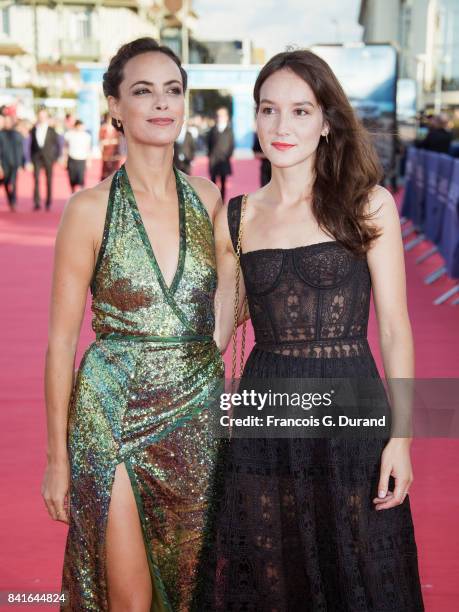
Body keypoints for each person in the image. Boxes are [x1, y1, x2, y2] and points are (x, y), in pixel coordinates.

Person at [194, 50, 425, 610]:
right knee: (270, 570)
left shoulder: (369, 205)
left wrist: (404, 437)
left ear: (326, 121)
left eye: (300, 111)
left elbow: (394, 328)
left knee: (361, 568)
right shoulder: (238, 214)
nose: (281, 126)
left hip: (351, 407)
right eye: (268, 110)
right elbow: (222, 324)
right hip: (264, 410)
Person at [40, 37, 224, 611]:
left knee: (192, 590)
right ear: (115, 106)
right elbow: (60, 342)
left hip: (197, 417)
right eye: (143, 91)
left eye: (173, 90)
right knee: (130, 597)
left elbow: (232, 305)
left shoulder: (210, 199)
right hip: (112, 414)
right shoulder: (89, 209)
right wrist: (55, 458)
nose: (161, 103)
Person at [30, 108, 59, 210]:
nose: (41, 118)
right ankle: (37, 202)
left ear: (46, 118)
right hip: (36, 158)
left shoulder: (51, 130)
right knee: (36, 180)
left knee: (49, 180)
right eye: (40, 116)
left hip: (48, 158)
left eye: (43, 116)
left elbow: (57, 144)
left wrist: (55, 157)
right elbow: (31, 145)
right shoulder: (33, 129)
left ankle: (48, 202)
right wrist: (30, 159)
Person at [207, 106, 234, 200]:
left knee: (223, 181)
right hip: (214, 160)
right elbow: (209, 144)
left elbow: (231, 145)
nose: (220, 117)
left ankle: (222, 200)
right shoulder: (212, 130)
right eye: (218, 115)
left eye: (222, 115)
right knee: (213, 182)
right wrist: (211, 156)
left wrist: (227, 156)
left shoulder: (229, 131)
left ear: (226, 117)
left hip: (224, 160)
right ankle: (213, 199)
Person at [0, 115, 24, 211]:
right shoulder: (1, 134)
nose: (7, 123)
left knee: (13, 183)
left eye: (8, 121)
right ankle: (10, 200)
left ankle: (13, 201)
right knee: (5, 183)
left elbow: (20, 150)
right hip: (4, 163)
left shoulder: (17, 134)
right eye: (5, 121)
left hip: (14, 164)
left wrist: (20, 164)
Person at [63, 120, 91, 193]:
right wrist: (65, 159)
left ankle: (81, 194)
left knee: (81, 178)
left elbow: (88, 149)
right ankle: (73, 192)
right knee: (72, 178)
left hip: (82, 159)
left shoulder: (86, 136)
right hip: (72, 158)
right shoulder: (69, 135)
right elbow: (65, 147)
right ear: (76, 126)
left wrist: (89, 161)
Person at [99, 112, 121, 180]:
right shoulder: (103, 128)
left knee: (115, 170)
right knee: (106, 171)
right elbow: (101, 141)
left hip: (115, 152)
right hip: (106, 153)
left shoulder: (117, 129)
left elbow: (119, 140)